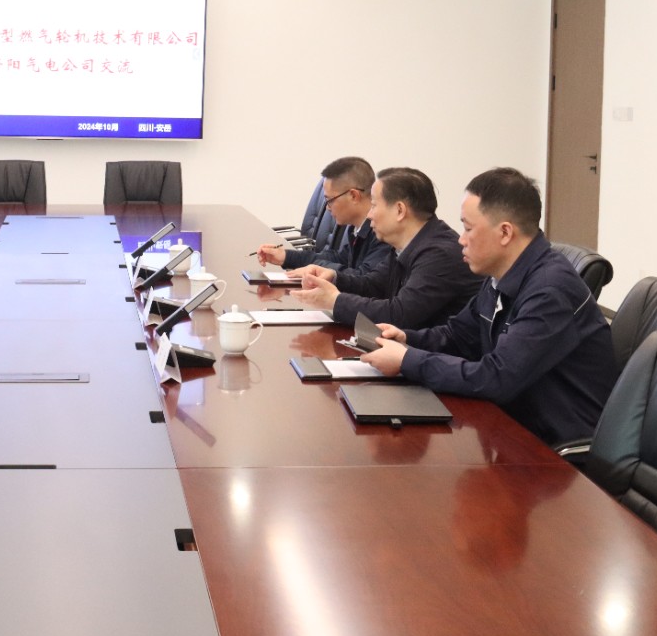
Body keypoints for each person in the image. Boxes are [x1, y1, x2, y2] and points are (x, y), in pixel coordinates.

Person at [360, 168, 619, 446]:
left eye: (468, 228)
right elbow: (458, 336)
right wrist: (406, 339)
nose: (461, 239)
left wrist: (407, 360)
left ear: (505, 232)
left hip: (553, 447)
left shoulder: (550, 290)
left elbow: (498, 378)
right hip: (511, 425)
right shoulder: (501, 275)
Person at [291, 167, 481, 328]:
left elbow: (398, 315)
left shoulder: (439, 254)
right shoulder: (406, 244)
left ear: (399, 210)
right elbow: (373, 284)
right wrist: (334, 277)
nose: (369, 215)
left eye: (374, 205)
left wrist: (335, 300)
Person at [256, 157, 392, 277]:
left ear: (353, 196)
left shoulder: (382, 233)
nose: (327, 207)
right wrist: (286, 256)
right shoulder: (357, 228)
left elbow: (364, 279)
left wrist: (317, 269)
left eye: (329, 200)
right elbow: (339, 259)